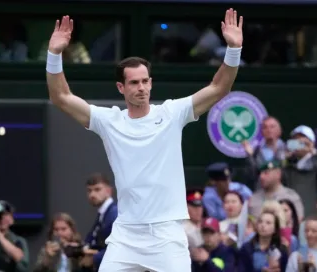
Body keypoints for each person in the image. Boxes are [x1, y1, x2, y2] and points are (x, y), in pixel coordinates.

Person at [45, 9, 243, 272]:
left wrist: (233, 49)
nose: (142, 88)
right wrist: (54, 55)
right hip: (126, 235)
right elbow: (61, 97)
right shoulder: (109, 121)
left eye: (146, 81)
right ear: (121, 87)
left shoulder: (172, 113)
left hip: (167, 235)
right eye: (134, 82)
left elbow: (220, 88)